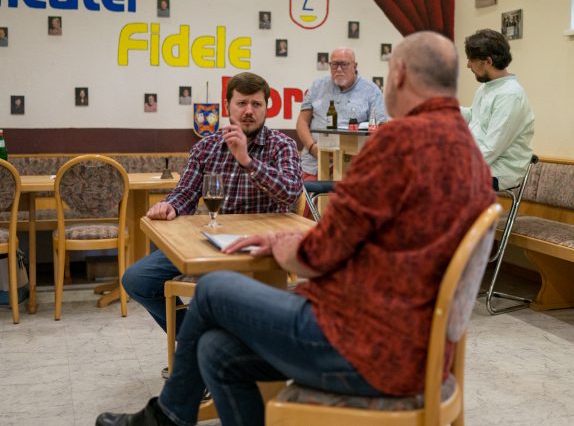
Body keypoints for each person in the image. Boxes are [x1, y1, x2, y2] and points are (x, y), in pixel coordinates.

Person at [97, 30, 495, 426]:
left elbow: (320, 254)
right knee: (214, 349)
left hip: (364, 347)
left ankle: (165, 418)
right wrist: (291, 241)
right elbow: (371, 241)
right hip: (416, 347)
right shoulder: (467, 150)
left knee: (215, 290)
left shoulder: (398, 140)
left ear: (400, 75)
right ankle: (171, 414)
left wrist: (287, 248)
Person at [122, 72, 302, 342]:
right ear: (228, 106)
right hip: (213, 240)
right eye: (242, 104)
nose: (249, 111)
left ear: (267, 108)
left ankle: (208, 353)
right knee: (137, 279)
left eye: (256, 104)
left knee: (211, 297)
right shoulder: (206, 147)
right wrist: (170, 205)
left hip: (260, 246)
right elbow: (186, 192)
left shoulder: (282, 146)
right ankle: (195, 345)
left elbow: (290, 191)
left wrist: (248, 161)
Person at [296, 47, 387, 182]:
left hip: (353, 170)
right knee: (307, 201)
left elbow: (380, 129)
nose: (338, 69)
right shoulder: (317, 87)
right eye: (334, 64)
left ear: (354, 66)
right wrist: (312, 148)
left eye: (344, 64)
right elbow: (302, 122)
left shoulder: (372, 92)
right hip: (313, 164)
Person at [461, 28, 534, 191]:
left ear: (487, 62)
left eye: (471, 60)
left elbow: (491, 149)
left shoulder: (510, 96)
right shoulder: (487, 88)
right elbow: (475, 117)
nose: (468, 65)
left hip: (499, 170)